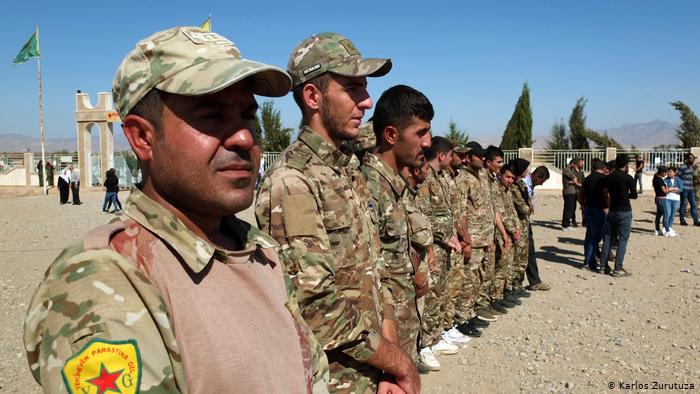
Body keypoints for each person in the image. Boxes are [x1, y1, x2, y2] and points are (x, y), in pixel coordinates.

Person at [25, 26, 328, 394]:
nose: (245, 137)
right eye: (211, 117)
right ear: (142, 137)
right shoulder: (102, 282)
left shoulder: (256, 249)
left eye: (248, 116)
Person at [255, 32, 420, 394]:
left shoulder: (345, 170)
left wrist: (391, 364)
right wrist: (400, 364)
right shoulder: (292, 182)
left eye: (365, 88)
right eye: (353, 89)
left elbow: (376, 272)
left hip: (375, 371)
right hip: (338, 382)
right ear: (313, 96)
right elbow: (318, 308)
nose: (367, 101)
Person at [360, 84, 433, 370]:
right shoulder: (368, 185)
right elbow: (371, 273)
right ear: (391, 135)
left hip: (404, 323)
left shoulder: (393, 184)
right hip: (385, 336)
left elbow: (395, 248)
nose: (427, 142)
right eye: (420, 133)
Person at [600, 154, 638, 277]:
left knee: (607, 239)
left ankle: (602, 265)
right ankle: (618, 267)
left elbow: (605, 192)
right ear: (626, 165)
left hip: (612, 211)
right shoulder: (628, 178)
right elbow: (634, 195)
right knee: (622, 239)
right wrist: (625, 195)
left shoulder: (608, 178)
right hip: (624, 211)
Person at [523, 166, 551, 290]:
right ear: (536, 176)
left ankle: (534, 281)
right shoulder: (524, 184)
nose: (542, 184)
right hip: (519, 223)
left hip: (525, 221)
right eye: (542, 180)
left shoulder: (529, 185)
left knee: (529, 250)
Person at [579, 159, 608, 271]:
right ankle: (587, 263)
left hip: (588, 209)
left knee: (589, 236)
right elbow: (606, 194)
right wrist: (607, 206)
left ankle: (589, 262)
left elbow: (580, 193)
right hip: (599, 210)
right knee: (596, 238)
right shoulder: (604, 179)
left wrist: (583, 205)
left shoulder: (587, 178)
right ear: (603, 168)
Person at [677, 153, 699, 226]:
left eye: (693, 158)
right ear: (686, 159)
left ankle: (696, 221)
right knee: (683, 204)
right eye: (691, 158)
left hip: (691, 189)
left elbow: (694, 177)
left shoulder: (692, 167)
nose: (692, 159)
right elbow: (678, 178)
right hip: (684, 189)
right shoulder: (682, 167)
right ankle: (682, 220)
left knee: (694, 204)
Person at [561, 158, 582, 230]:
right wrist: (575, 183)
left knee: (571, 209)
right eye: (575, 164)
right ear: (573, 163)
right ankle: (565, 225)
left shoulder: (570, 170)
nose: (576, 166)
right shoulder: (566, 169)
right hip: (569, 192)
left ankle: (567, 224)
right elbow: (574, 177)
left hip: (572, 192)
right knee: (568, 209)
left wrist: (574, 182)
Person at [663, 166, 683, 236]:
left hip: (676, 199)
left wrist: (670, 189)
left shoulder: (679, 180)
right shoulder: (665, 180)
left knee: (672, 215)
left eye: (670, 172)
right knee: (667, 214)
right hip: (667, 199)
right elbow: (665, 190)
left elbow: (681, 189)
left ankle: (669, 228)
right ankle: (665, 228)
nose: (668, 173)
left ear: (675, 173)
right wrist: (675, 189)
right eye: (668, 172)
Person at [652, 165, 669, 236]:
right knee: (666, 214)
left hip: (658, 198)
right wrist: (668, 188)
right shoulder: (660, 180)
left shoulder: (655, 178)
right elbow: (664, 191)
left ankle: (657, 229)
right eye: (665, 172)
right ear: (662, 172)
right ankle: (666, 230)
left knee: (658, 215)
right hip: (662, 199)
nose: (666, 174)